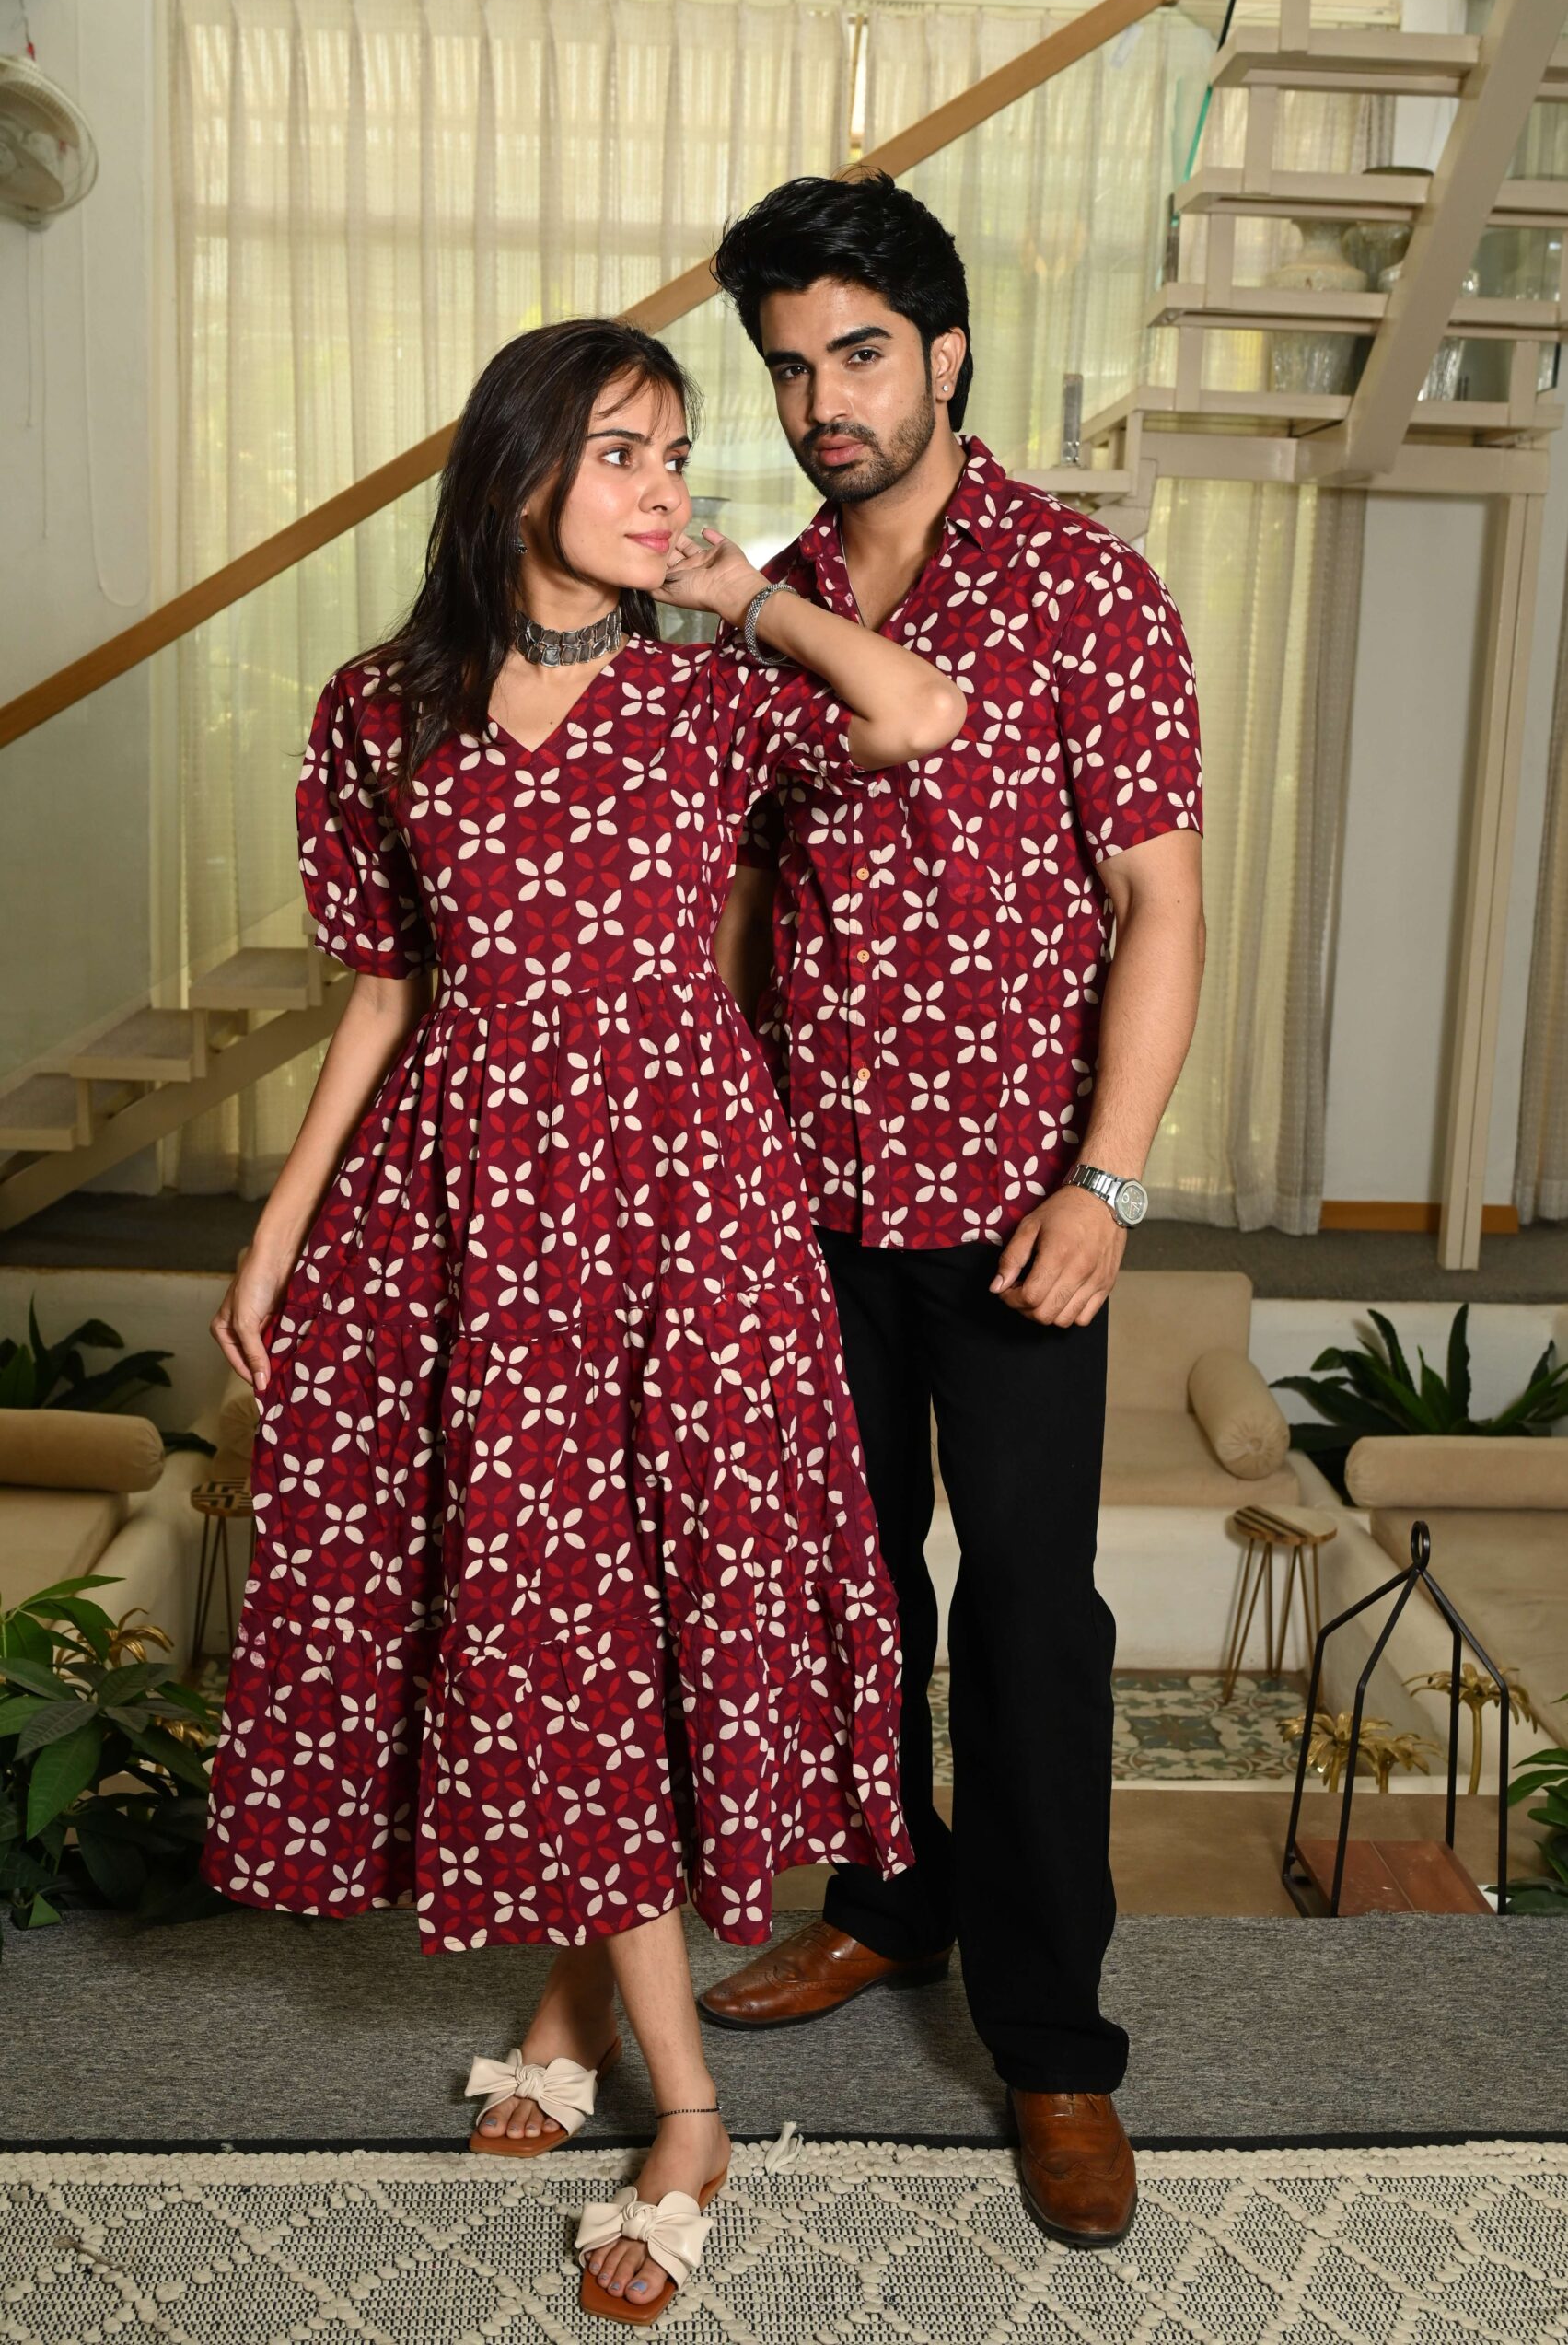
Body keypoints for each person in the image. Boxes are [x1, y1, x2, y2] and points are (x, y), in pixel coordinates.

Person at [199, 316, 965, 2324]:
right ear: (520, 465)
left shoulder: (709, 693)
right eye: (624, 451)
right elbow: (385, 992)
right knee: (545, 1614)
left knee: (630, 1609)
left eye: (681, 455)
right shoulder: (382, 712)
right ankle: (593, 2013)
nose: (665, 488)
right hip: (468, 1212)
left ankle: (677, 2102)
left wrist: (743, 590)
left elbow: (919, 712)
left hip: (681, 1215)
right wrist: (279, 1233)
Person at [699, 172, 1206, 2250]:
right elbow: (745, 903)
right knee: (853, 1595)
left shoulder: (1088, 587)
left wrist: (1109, 1179)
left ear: (949, 352)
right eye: (790, 365)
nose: (824, 398)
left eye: (860, 352)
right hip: (809, 1200)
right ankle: (888, 1904)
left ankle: (1057, 2044)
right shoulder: (767, 604)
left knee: (1026, 1619)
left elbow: (1159, 905)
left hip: (1017, 1214)